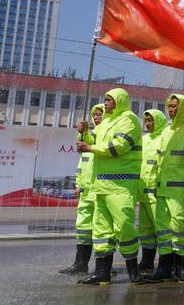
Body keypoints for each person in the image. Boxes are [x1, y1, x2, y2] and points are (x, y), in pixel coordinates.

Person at [76, 88, 143, 285]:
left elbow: (119, 146)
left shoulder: (129, 120)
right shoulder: (106, 122)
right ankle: (101, 272)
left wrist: (90, 147)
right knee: (101, 231)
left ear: (119, 100)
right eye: (105, 100)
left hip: (121, 185)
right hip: (102, 185)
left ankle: (134, 271)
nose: (105, 103)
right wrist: (85, 133)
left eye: (109, 100)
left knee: (124, 228)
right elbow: (92, 142)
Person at [146, 94, 184, 283]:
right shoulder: (165, 131)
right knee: (163, 229)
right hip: (163, 190)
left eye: (175, 107)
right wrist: (156, 184)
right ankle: (164, 267)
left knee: (179, 228)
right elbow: (158, 161)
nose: (171, 110)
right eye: (170, 107)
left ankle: (180, 267)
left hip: (182, 191)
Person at [59, 103, 105, 275]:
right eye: (95, 115)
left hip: (101, 191)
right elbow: (82, 165)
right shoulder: (89, 136)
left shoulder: (106, 136)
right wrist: (78, 185)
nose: (97, 117)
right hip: (86, 193)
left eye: (100, 115)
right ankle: (80, 264)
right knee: (83, 229)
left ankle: (104, 267)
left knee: (103, 231)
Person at [136, 109, 167, 273]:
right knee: (145, 230)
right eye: (146, 120)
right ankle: (147, 261)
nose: (148, 123)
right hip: (143, 194)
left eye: (151, 120)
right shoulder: (144, 139)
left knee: (161, 229)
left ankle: (165, 263)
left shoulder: (165, 138)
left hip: (157, 194)